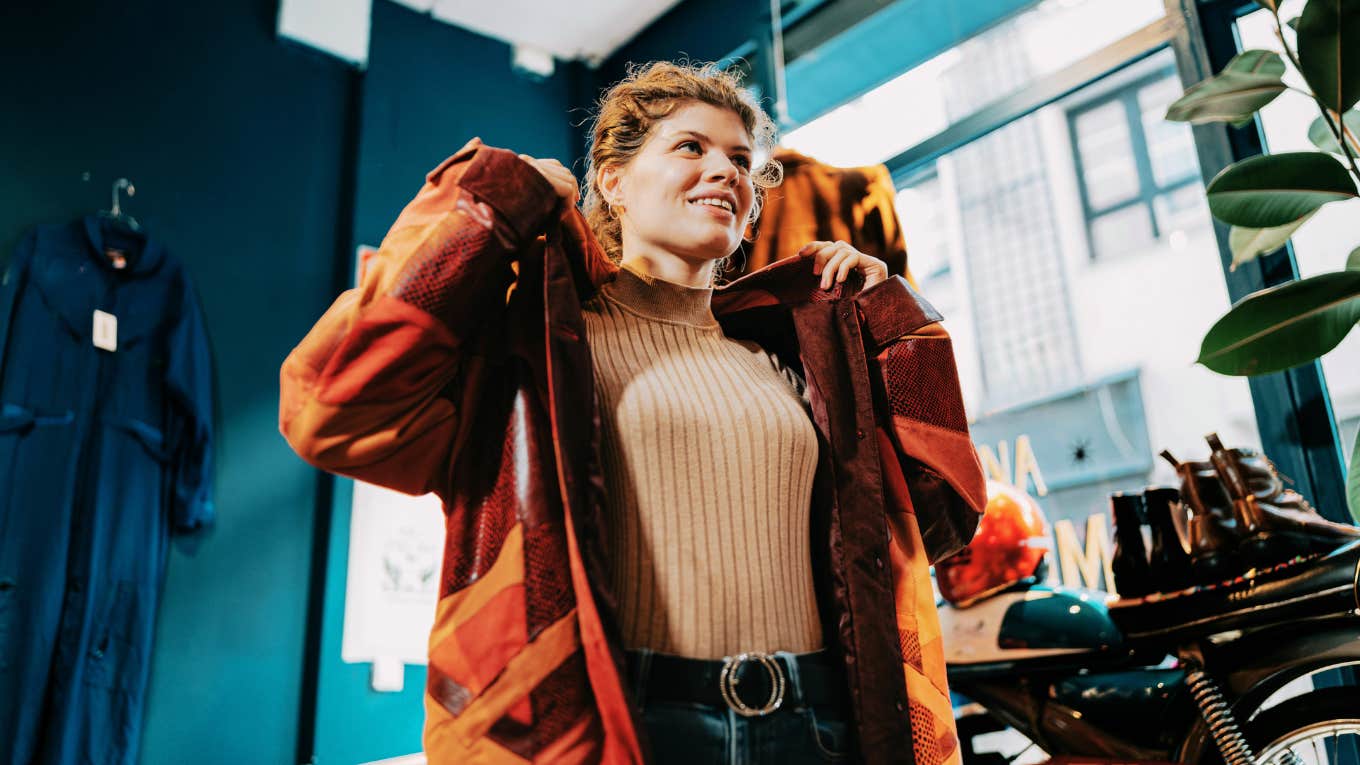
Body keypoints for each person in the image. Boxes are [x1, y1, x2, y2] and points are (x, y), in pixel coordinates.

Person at [280, 61, 986, 765]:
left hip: (816, 726)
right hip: (633, 725)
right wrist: (488, 207)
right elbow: (329, 406)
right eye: (691, 147)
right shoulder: (540, 348)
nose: (727, 172)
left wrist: (896, 326)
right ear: (613, 182)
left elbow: (942, 517)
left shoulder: (798, 359)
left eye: (741, 160)